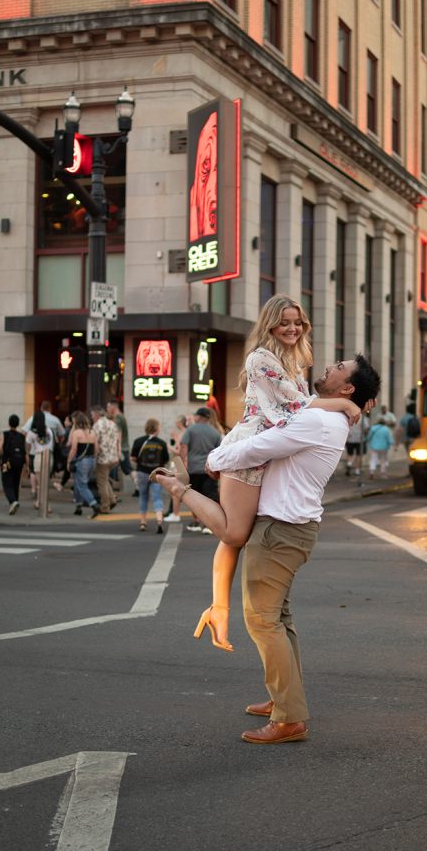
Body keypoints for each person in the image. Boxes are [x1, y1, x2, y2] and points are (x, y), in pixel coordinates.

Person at [151, 295, 362, 651]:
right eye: (284, 322)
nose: (292, 328)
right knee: (234, 533)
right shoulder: (260, 358)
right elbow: (297, 407)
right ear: (270, 325)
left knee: (239, 535)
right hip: (249, 448)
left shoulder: (293, 362)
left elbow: (303, 409)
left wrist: (353, 401)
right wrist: (343, 402)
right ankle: (179, 487)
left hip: (267, 451)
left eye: (297, 322)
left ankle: (218, 609)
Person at [194, 354, 380, 743]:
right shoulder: (329, 417)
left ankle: (289, 718)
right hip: (291, 528)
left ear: (347, 387)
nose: (329, 367)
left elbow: (259, 447)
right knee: (279, 617)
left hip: (280, 530)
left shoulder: (318, 421)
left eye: (338, 368)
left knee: (262, 620)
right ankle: (283, 697)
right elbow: (293, 414)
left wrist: (214, 459)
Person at [167, 409, 222, 529]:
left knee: (194, 496)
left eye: (195, 415)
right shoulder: (215, 432)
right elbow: (219, 450)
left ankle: (196, 521)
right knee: (210, 496)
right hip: (209, 469)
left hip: (193, 468)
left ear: (199, 417)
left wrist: (183, 463)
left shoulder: (191, 430)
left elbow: (183, 446)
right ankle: (209, 524)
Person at [130, 418, 170, 534]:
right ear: (157, 428)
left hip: (142, 472)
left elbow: (133, 457)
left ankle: (143, 522)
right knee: (157, 497)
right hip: (156, 473)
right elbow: (166, 459)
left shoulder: (138, 441)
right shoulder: (162, 443)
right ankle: (159, 520)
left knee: (143, 496)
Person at [66, 411, 100, 518]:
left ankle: (94, 504)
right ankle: (78, 506)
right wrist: (94, 459)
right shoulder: (92, 432)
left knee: (82, 485)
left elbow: (73, 448)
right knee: (78, 482)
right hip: (91, 460)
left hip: (81, 461)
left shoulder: (77, 433)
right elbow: (97, 449)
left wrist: (69, 461)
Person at [91, 405, 121, 514]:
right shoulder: (112, 424)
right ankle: (112, 499)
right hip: (113, 457)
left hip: (102, 458)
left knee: (101, 483)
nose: (92, 417)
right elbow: (118, 441)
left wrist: (94, 457)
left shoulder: (97, 425)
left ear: (96, 414)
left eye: (92, 415)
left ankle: (105, 506)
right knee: (104, 479)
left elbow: (95, 443)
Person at [0, 414, 26, 513]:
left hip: (7, 462)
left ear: (9, 423)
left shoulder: (4, 434)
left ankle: (13, 501)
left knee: (7, 482)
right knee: (16, 482)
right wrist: (27, 465)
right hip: (19, 461)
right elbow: (25, 451)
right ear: (18, 424)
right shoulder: (22, 436)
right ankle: (15, 500)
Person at [24, 410, 55, 507]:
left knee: (40, 483)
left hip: (38, 457)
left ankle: (44, 505)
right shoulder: (49, 430)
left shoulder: (31, 432)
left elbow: (27, 448)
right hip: (49, 457)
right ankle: (40, 502)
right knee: (45, 483)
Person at [106, 400, 135, 495]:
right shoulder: (121, 417)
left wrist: (117, 449)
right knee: (127, 469)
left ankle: (139, 488)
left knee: (127, 469)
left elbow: (118, 435)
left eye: (108, 407)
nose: (107, 409)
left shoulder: (118, 418)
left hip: (120, 449)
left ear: (113, 407)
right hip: (122, 448)